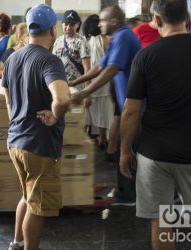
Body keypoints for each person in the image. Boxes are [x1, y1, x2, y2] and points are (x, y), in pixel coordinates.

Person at [120, 1, 191, 249]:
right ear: (188, 19)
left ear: (158, 21)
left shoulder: (146, 56)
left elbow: (131, 112)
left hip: (155, 154)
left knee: (163, 219)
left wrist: (125, 150)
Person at [2, 4, 70, 250]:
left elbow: (8, 98)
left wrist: (18, 120)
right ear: (53, 30)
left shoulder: (13, 58)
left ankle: (17, 243)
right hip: (39, 144)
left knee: (28, 195)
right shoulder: (49, 60)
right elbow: (62, 99)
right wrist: (54, 115)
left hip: (16, 141)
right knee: (38, 205)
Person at [71, 6, 141, 204]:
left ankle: (129, 195)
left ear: (114, 22)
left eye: (103, 20)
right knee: (122, 146)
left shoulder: (124, 37)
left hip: (135, 106)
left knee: (127, 149)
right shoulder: (117, 37)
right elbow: (100, 66)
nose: (99, 24)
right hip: (124, 102)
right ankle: (125, 191)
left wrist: (85, 92)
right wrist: (75, 83)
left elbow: (111, 69)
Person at [82, 14, 114, 148]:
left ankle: (87, 137)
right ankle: (102, 137)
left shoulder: (85, 40)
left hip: (90, 81)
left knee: (89, 112)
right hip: (103, 81)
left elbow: (87, 66)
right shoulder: (105, 39)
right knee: (104, 112)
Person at [52, 10, 90, 92]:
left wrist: (87, 92)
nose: (68, 27)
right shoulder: (58, 41)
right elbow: (53, 64)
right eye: (66, 24)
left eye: (72, 25)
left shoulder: (81, 41)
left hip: (78, 86)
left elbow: (87, 69)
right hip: (61, 84)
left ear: (77, 25)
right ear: (62, 24)